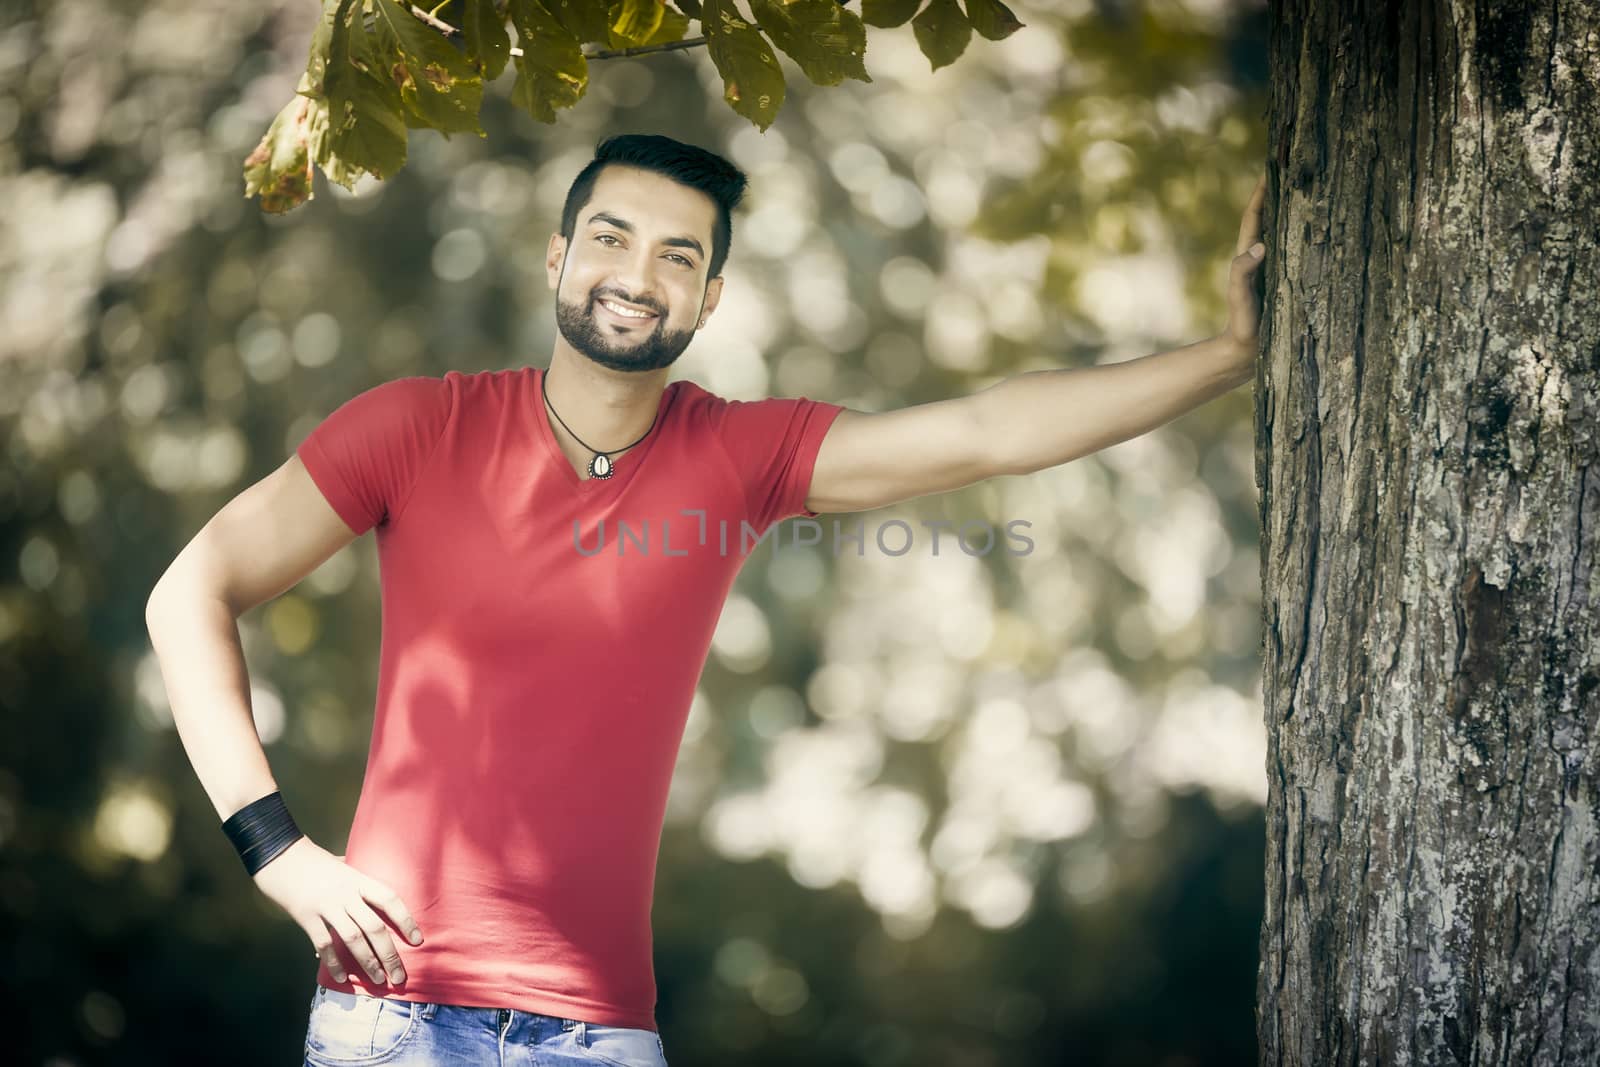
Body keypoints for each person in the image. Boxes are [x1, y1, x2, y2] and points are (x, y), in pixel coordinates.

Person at [144, 132, 1268, 1066]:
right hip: (389, 1019)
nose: (637, 273)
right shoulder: (416, 427)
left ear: (710, 295)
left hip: (599, 1036)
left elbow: (985, 430)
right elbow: (192, 590)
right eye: (611, 237)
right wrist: (278, 850)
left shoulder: (736, 457)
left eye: (678, 255)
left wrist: (1224, 356)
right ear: (556, 257)